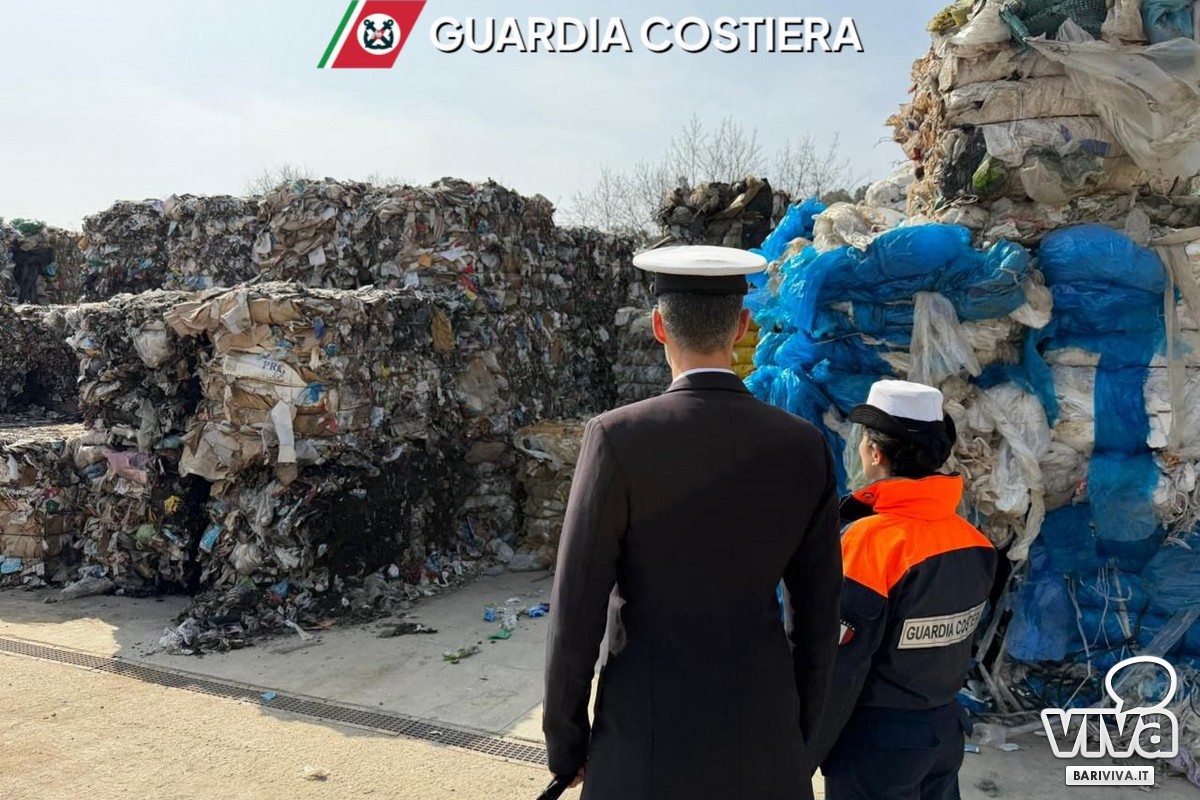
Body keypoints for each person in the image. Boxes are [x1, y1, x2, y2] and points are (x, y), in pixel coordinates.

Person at [543, 245, 844, 800]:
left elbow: (576, 609)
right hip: (763, 732)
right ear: (743, 326)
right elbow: (819, 616)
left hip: (643, 740)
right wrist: (797, 739)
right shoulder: (803, 447)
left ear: (658, 326)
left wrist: (567, 744)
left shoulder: (617, 439)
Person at [809, 380, 998, 800]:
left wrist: (801, 752)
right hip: (943, 732)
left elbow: (840, 667)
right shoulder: (974, 542)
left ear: (875, 452)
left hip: (877, 744)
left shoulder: (871, 542)